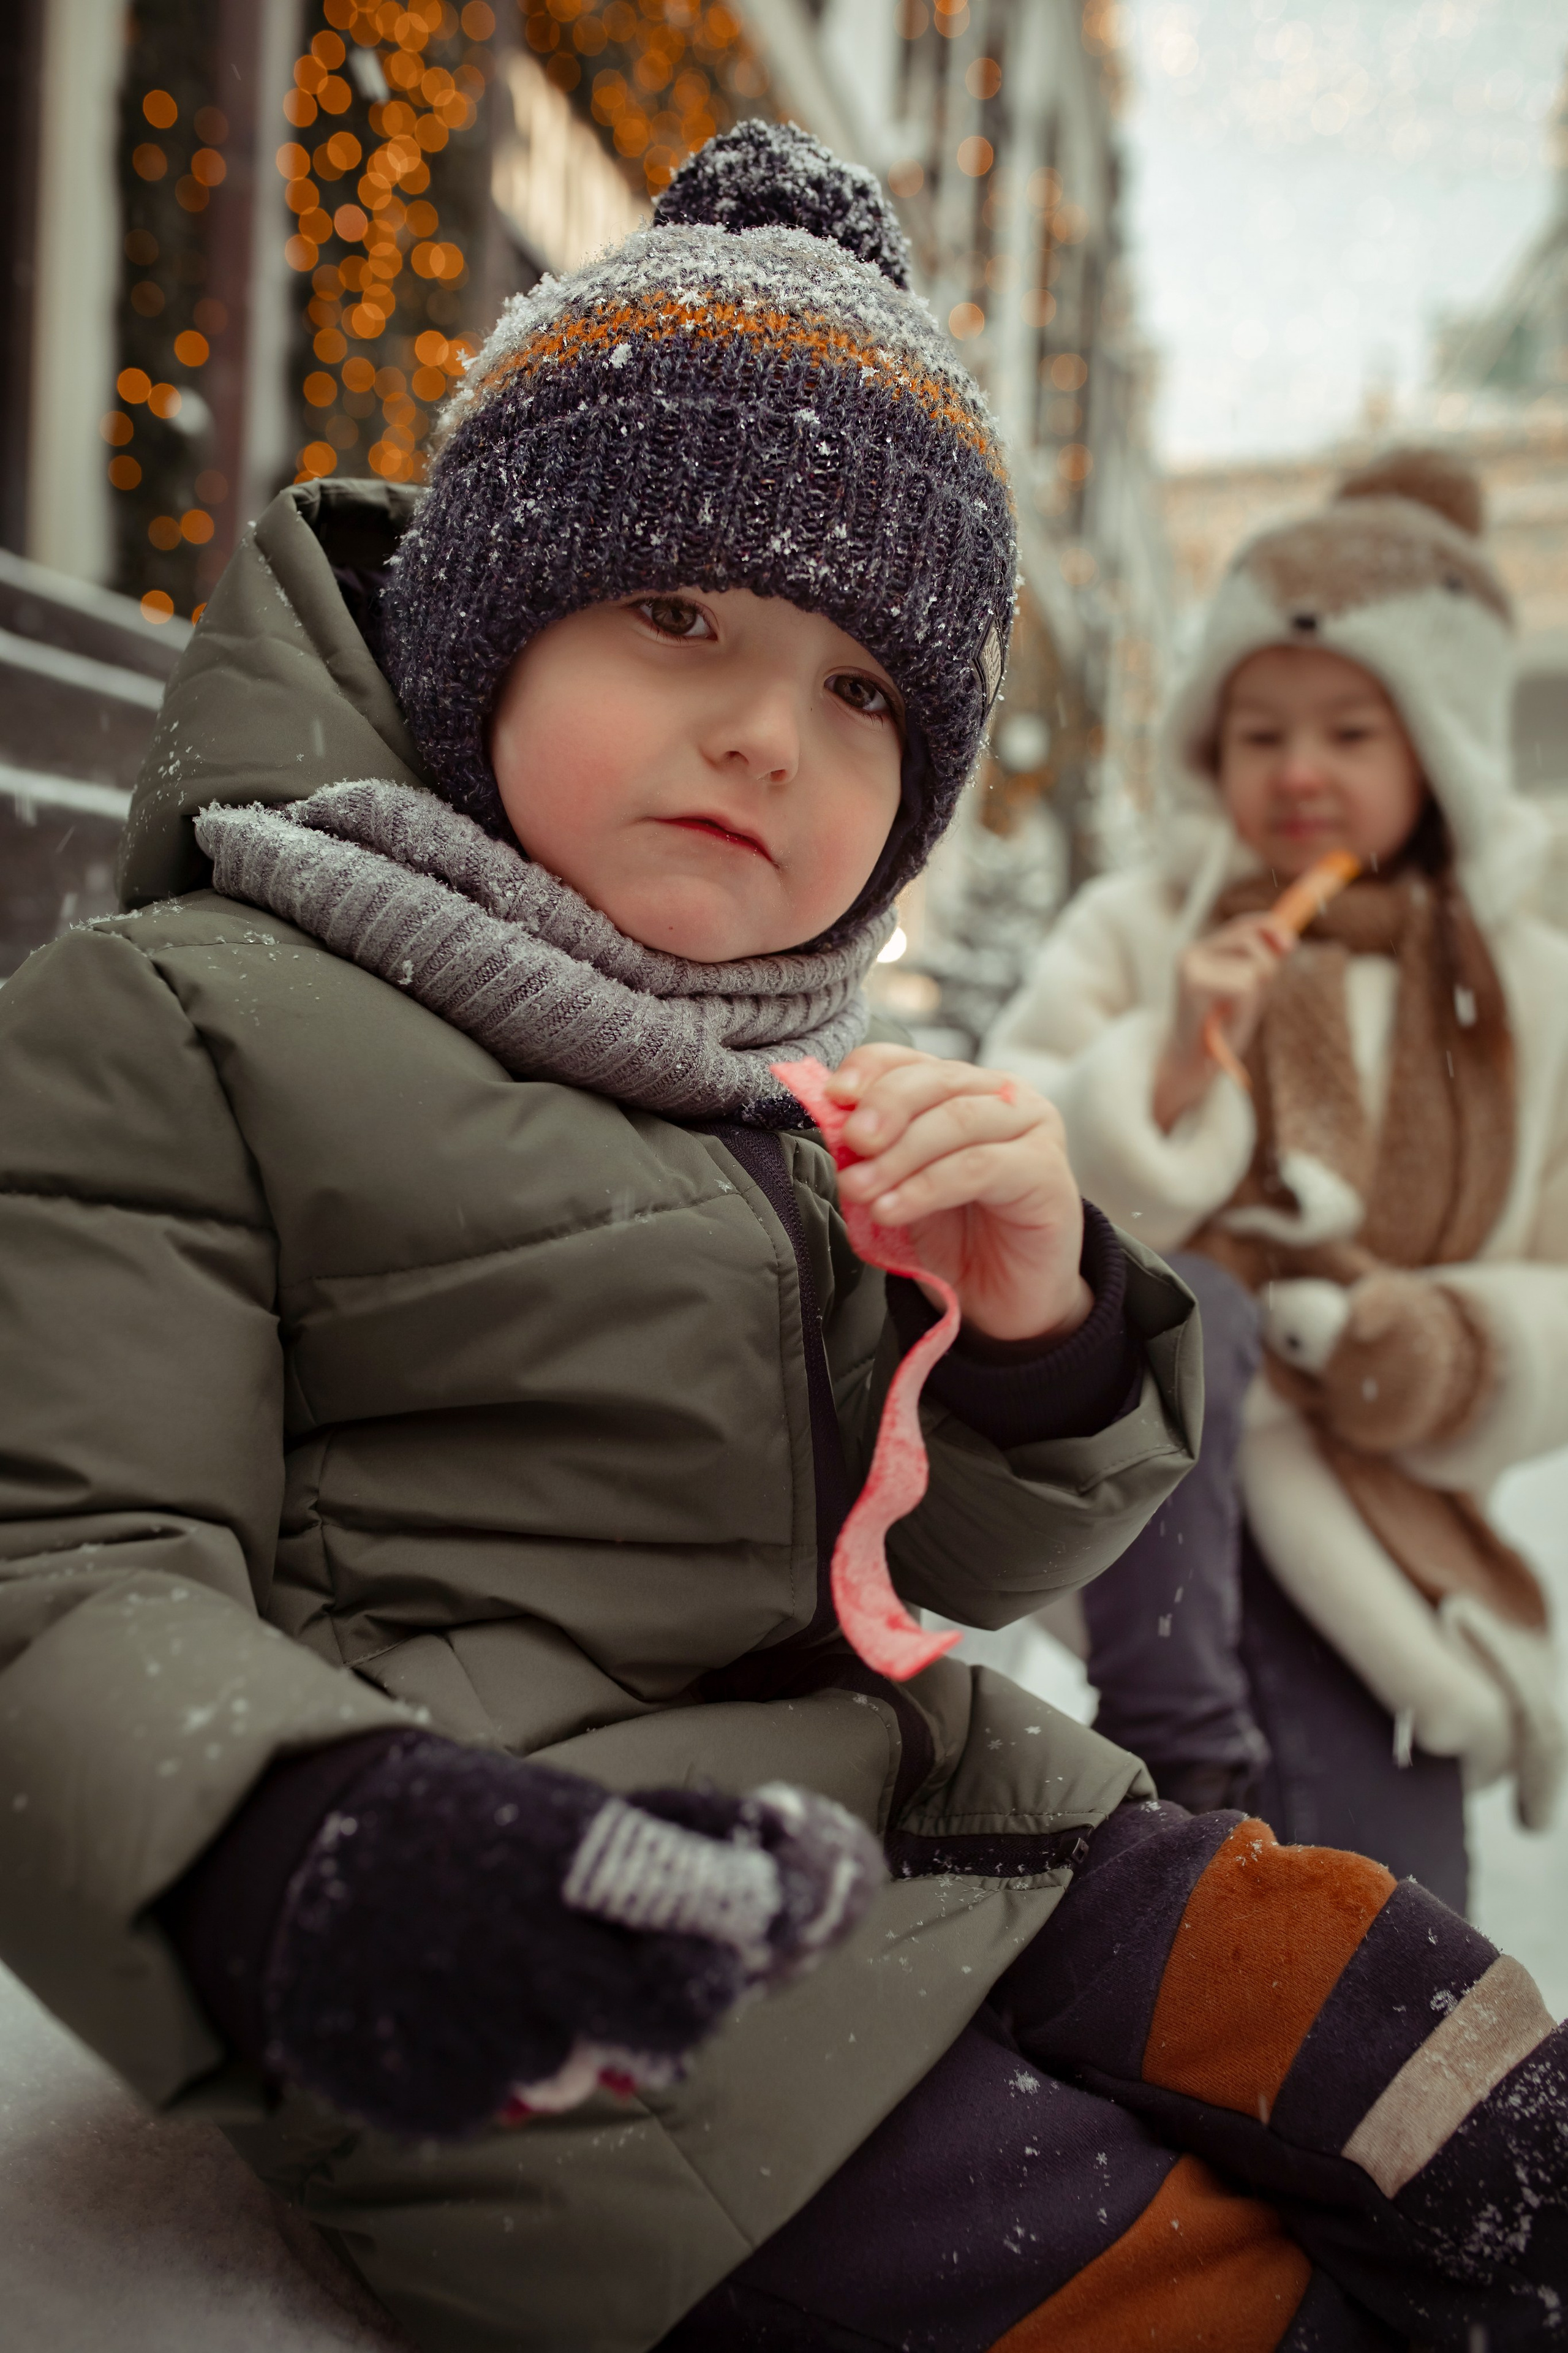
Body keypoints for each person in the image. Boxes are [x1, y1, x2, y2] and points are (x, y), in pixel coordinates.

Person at [0, 130, 1562, 2351]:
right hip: (588, 1967)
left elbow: (933, 1572)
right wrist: (304, 1854)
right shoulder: (182, 1021)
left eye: (863, 695)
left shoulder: (762, 1074)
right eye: (676, 616)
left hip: (953, 1817)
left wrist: (1030, 1327)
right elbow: (58, 1574)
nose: (765, 734)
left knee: (1445, 2053)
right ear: (477, 631)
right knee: (1204, 2300)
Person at [986, 449, 1567, 1918]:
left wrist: (1439, 1347)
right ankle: (1171, 1794)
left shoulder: (1527, 996)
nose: (1296, 771)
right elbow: (1006, 1164)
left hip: (1379, 1541)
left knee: (1394, 1927)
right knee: (1181, 1926)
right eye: (1257, 732)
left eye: (1347, 731)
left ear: (1434, 744)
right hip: (1165, 1523)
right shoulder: (1134, 934)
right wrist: (1166, 1065)